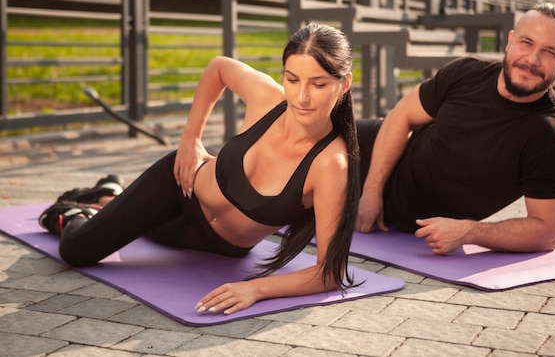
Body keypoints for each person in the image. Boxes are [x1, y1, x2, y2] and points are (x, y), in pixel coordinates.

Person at [39, 23, 360, 316]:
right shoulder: (268, 98)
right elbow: (218, 67)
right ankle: (75, 213)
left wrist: (257, 289)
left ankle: (110, 194)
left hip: (213, 244)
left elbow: (330, 271)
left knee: (129, 221)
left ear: (344, 84)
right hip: (180, 185)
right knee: (76, 250)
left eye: (318, 84)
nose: (301, 97)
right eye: (292, 79)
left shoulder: (331, 164)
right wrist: (190, 138)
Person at [356, 2, 555, 255]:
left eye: (550, 52)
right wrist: (371, 192)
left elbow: (549, 231)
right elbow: (401, 116)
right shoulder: (467, 72)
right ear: (510, 40)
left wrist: (469, 232)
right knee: (308, 137)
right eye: (526, 42)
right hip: (369, 160)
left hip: (409, 227)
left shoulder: (552, 136)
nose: (532, 59)